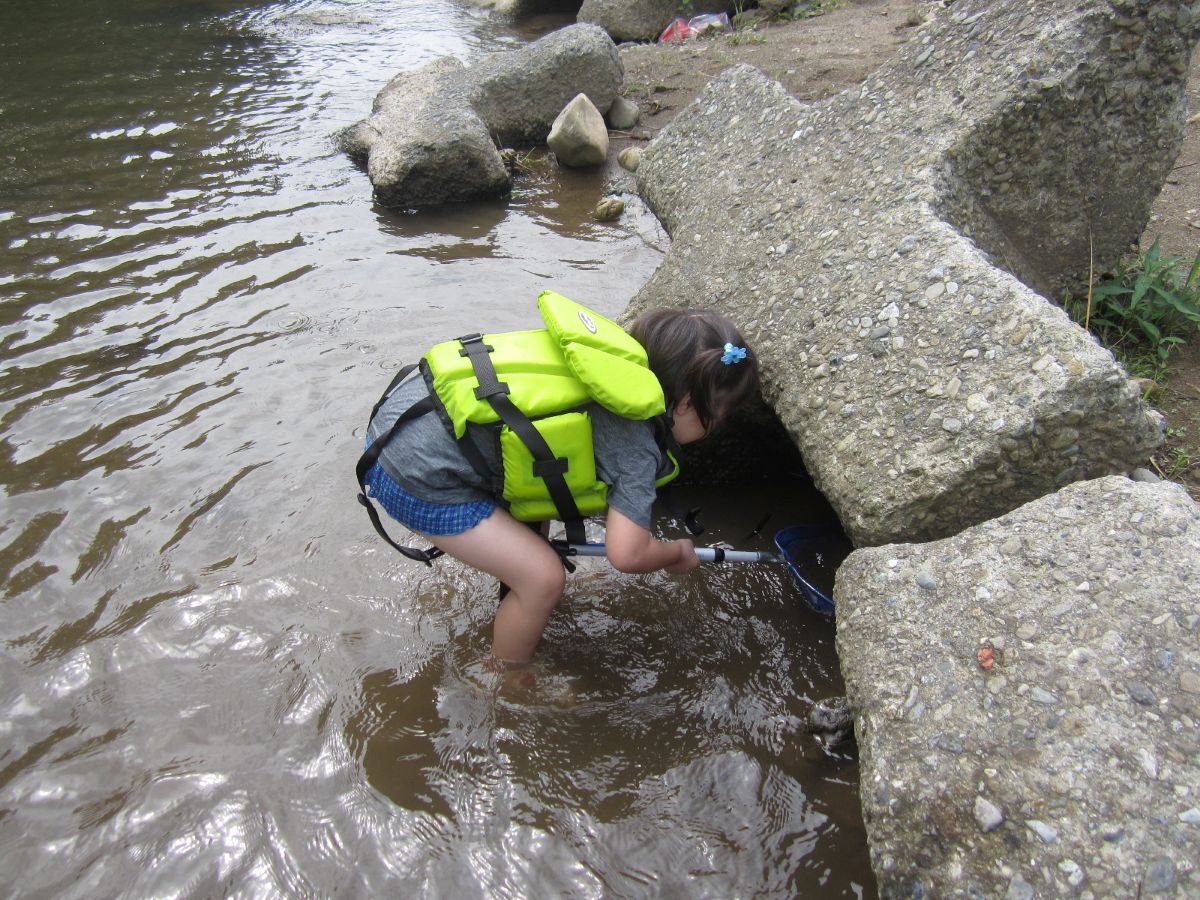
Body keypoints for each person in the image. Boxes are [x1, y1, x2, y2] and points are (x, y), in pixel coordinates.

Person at [358, 293, 759, 665]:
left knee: (538, 510)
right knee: (543, 579)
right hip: (415, 477)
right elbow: (627, 554)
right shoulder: (638, 448)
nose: (716, 429)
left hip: (402, 417)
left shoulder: (599, 361)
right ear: (686, 403)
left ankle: (522, 608)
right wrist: (676, 553)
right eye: (720, 418)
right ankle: (505, 678)